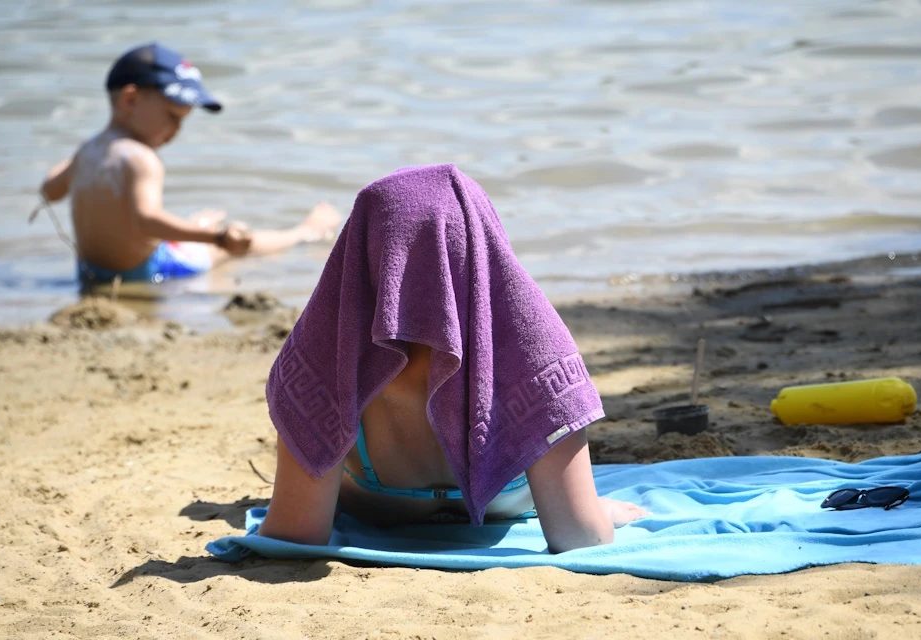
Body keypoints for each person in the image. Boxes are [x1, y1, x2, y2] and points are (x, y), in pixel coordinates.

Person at [258, 165, 646, 554]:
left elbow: (295, 535)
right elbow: (581, 538)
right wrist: (601, 512)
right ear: (485, 248)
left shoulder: (328, 351)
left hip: (375, 510)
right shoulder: (533, 346)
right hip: (506, 508)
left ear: (357, 251)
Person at [38, 42, 341, 285]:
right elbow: (146, 220)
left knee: (189, 230)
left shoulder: (87, 152)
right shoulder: (141, 158)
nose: (177, 130)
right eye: (172, 116)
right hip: (145, 273)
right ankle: (303, 232)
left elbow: (49, 191)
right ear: (130, 101)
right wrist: (217, 237)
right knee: (229, 248)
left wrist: (85, 156)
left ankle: (194, 228)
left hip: (93, 274)